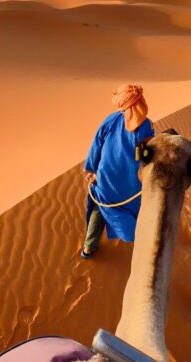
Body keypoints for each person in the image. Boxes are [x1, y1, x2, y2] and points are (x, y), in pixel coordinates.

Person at [81, 84, 154, 258]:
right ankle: (141, 243)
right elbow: (145, 157)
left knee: (100, 209)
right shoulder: (147, 127)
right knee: (134, 211)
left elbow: (96, 144)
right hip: (132, 185)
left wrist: (90, 168)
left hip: (105, 180)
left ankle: (88, 248)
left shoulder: (112, 120)